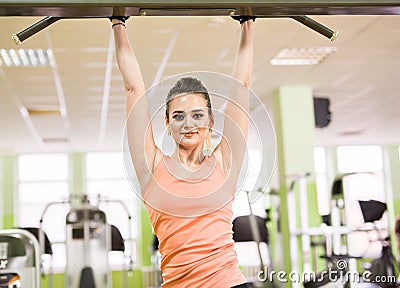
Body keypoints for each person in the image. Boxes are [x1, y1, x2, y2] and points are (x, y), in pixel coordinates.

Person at [112, 15, 255, 288]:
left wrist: (247, 22)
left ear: (210, 121)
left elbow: (242, 87)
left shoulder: (224, 164)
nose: (189, 124)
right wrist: (118, 22)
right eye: (178, 116)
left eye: (198, 115)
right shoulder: (151, 167)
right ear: (167, 123)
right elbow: (133, 88)